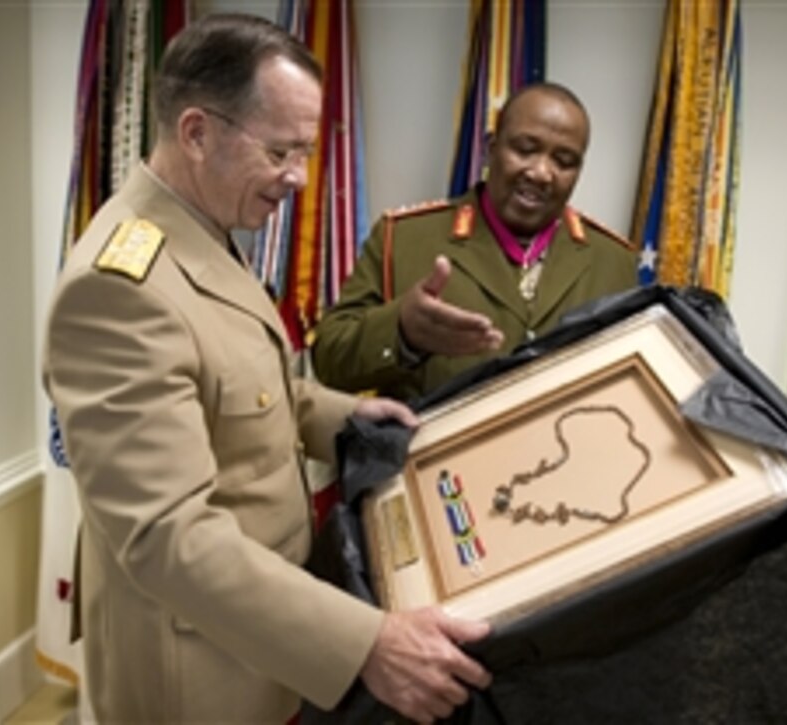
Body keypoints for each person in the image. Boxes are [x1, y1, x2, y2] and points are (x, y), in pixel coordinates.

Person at [42, 13, 490, 724]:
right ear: (196, 132)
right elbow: (169, 534)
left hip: (258, 631)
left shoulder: (202, 224)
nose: (301, 178)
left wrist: (348, 416)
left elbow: (244, 388)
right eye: (282, 150)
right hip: (194, 665)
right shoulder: (119, 289)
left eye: (308, 151)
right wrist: (367, 642)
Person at [311, 82, 639, 401]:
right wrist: (401, 332)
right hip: (435, 455)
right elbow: (328, 360)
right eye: (525, 149)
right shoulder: (403, 238)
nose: (541, 172)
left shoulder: (615, 262)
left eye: (564, 162)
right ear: (491, 148)